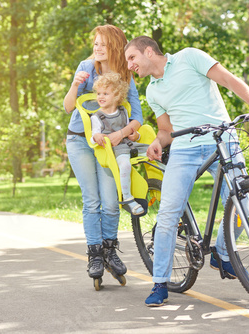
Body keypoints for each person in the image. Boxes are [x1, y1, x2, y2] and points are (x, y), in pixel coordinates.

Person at [124, 36, 249, 306]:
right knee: (168, 213)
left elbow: (228, 79)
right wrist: (158, 142)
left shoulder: (189, 56)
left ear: (148, 51)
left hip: (223, 139)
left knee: (241, 204)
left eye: (132, 58)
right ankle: (160, 283)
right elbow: (166, 130)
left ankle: (223, 254)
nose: (130, 65)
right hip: (184, 148)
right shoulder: (152, 91)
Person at [63, 25, 143, 284]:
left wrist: (122, 134)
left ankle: (110, 251)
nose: (96, 48)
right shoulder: (85, 67)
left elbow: (137, 117)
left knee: (110, 201)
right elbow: (68, 107)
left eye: (102, 44)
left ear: (115, 47)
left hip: (111, 143)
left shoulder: (125, 76)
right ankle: (95, 255)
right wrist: (75, 86)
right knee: (92, 201)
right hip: (80, 140)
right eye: (95, 43)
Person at [91, 72, 148, 216]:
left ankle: (160, 185)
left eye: (105, 93)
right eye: (99, 93)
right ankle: (127, 198)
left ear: (117, 96)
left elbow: (131, 133)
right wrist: (97, 136)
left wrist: (137, 135)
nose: (100, 97)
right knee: (125, 165)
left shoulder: (123, 111)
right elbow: (93, 136)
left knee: (156, 152)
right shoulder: (97, 117)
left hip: (130, 145)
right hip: (117, 150)